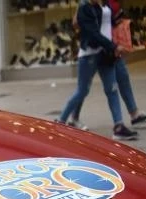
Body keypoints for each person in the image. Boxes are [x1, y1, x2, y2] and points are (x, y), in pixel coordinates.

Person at [66, 0, 146, 130]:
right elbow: (76, 23)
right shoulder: (88, 3)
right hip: (98, 48)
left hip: (110, 46)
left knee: (122, 76)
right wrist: (94, 30)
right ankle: (72, 118)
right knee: (84, 87)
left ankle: (133, 114)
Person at [56, 0, 139, 140]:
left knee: (112, 89)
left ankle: (118, 126)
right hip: (90, 54)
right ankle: (60, 121)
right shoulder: (85, 7)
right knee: (82, 90)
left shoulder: (102, 5)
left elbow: (106, 27)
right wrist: (113, 46)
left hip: (104, 52)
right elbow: (93, 33)